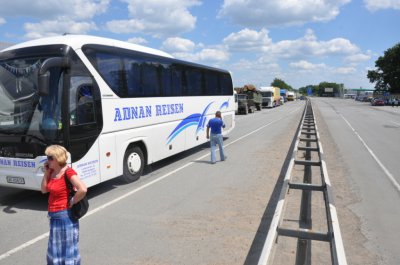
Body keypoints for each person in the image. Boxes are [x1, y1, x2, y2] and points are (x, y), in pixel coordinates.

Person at [41, 145, 87, 265]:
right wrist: (46, 173)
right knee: (55, 249)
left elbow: (83, 189)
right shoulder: (51, 172)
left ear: (58, 158)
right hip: (54, 217)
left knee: (68, 249)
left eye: (50, 158)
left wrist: (72, 201)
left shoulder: (68, 172)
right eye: (47, 157)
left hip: (65, 217)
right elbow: (44, 190)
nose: (47, 160)